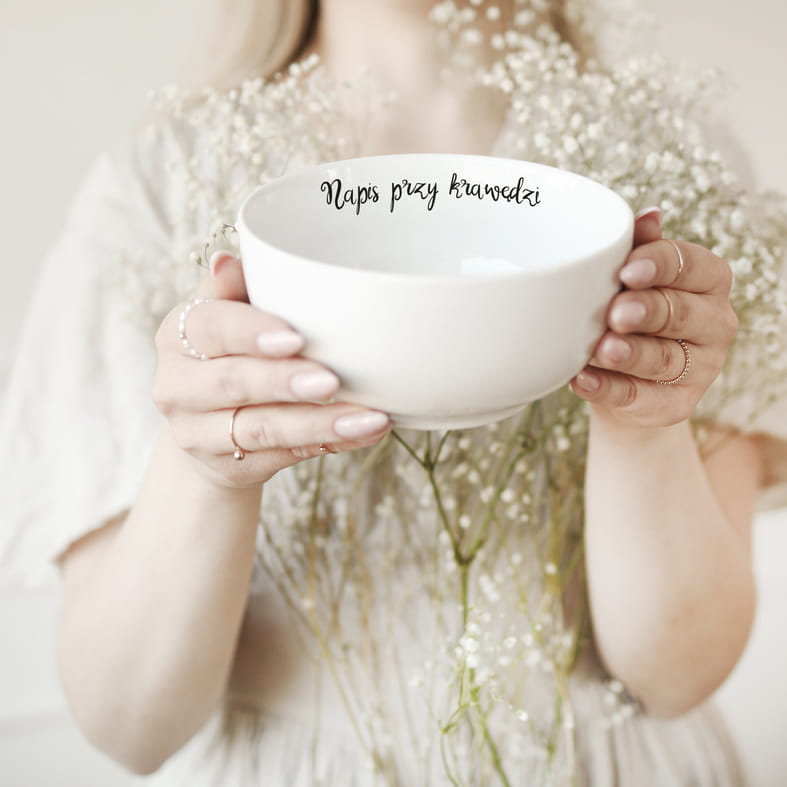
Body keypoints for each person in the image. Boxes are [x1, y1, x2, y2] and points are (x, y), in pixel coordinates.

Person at [2, 0, 787, 785]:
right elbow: (129, 726)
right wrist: (205, 470)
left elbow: (676, 675)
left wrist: (644, 416)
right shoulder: (158, 189)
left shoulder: (671, 163)